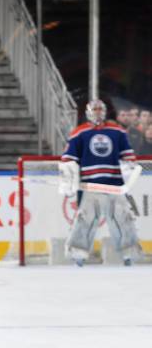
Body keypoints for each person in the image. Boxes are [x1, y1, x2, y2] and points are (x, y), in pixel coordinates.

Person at [60, 99, 141, 266]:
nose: (97, 112)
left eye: (100, 109)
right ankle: (78, 255)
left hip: (114, 184)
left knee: (121, 218)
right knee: (86, 219)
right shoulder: (79, 133)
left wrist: (127, 176)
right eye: (94, 109)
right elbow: (68, 159)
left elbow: (128, 157)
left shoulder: (117, 131)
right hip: (90, 184)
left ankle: (129, 254)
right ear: (88, 112)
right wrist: (69, 180)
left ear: (104, 111)